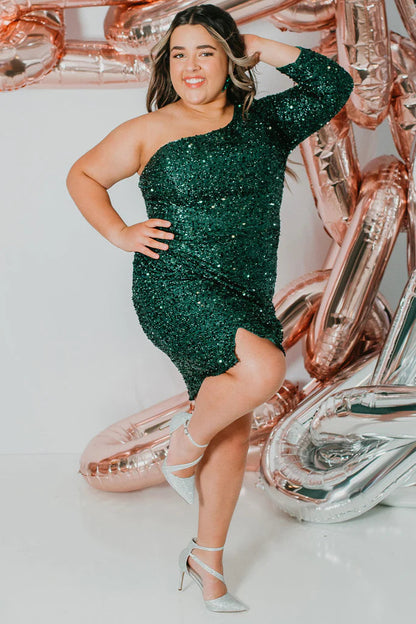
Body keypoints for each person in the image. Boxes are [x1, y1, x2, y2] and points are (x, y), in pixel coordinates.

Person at [66, 3, 354, 613]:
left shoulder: (266, 124)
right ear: (166, 66)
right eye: (179, 54)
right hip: (175, 285)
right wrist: (120, 233)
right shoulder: (150, 129)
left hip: (246, 290)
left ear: (230, 60)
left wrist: (260, 44)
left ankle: (207, 563)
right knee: (263, 370)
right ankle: (183, 445)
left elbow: (334, 85)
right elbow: (83, 176)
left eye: (206, 52)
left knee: (233, 422)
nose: (191, 66)